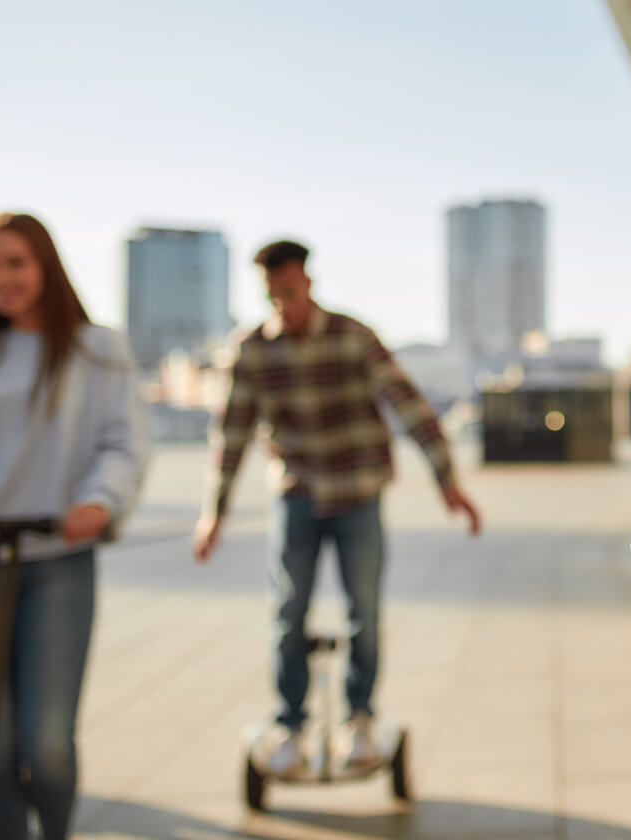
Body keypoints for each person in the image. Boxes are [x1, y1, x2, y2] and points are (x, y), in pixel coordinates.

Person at [192, 240, 480, 775]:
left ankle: (361, 718)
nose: (284, 304)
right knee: (287, 612)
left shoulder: (353, 337)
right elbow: (230, 434)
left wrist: (448, 481)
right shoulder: (252, 349)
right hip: (295, 495)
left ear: (307, 282)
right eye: (272, 296)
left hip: (357, 494)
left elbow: (410, 406)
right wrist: (214, 513)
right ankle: (289, 723)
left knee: (362, 612)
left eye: (291, 292)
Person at [0, 212, 149, 840]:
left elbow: (122, 442)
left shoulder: (95, 349)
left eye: (15, 262)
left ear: (46, 266)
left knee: (46, 746)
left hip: (57, 558)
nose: (0, 277)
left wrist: (100, 502)